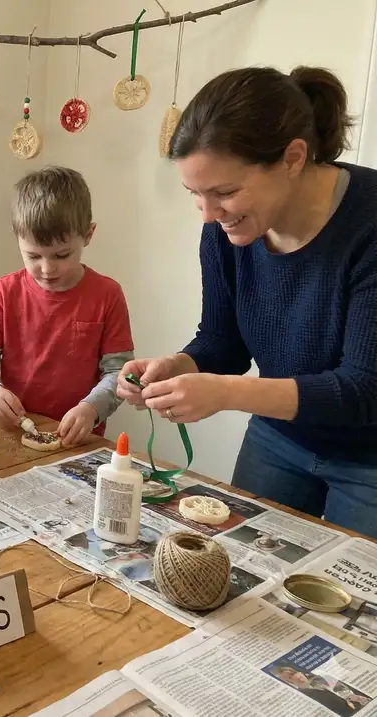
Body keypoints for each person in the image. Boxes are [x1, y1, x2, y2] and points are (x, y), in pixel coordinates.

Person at [116, 66, 377, 537]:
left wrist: (225, 393)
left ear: (294, 157)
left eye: (225, 192)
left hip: (370, 458)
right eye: (195, 195)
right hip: (280, 437)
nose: (209, 214)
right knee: (235, 566)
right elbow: (223, 342)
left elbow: (364, 390)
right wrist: (180, 365)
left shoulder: (370, 224)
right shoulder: (222, 232)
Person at [0, 166, 135, 446]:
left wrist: (91, 409)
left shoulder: (108, 294)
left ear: (88, 235)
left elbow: (118, 372)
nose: (46, 269)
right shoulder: (5, 291)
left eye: (61, 255)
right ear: (17, 237)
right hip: (10, 433)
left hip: (77, 438)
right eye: (32, 256)